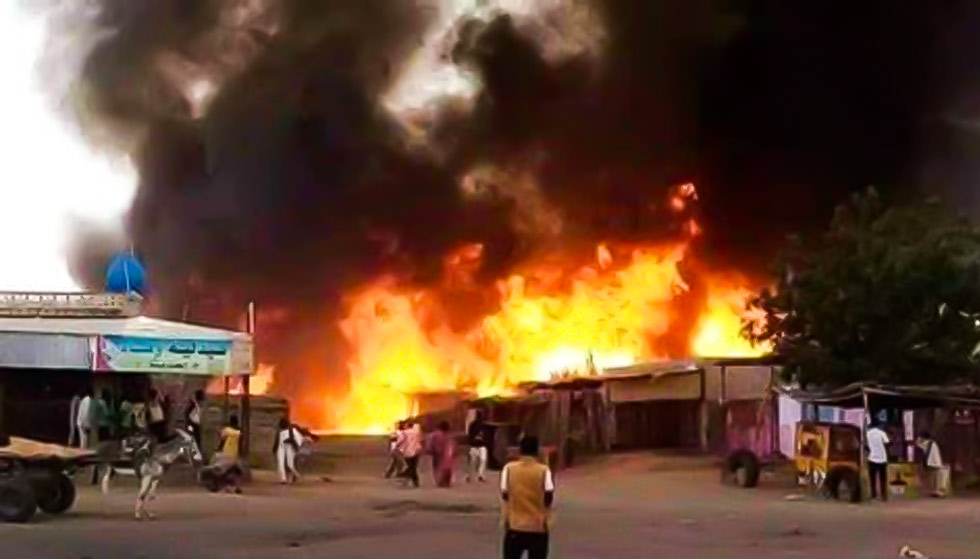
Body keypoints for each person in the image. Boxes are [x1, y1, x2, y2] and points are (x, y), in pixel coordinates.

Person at [500, 435, 555, 559]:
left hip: (515, 525)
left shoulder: (509, 469)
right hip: (537, 526)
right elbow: (548, 495)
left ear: (520, 450)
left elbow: (505, 494)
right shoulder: (544, 470)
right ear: (536, 451)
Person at [213, 415, 244, 494]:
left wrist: (218, 449)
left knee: (225, 471)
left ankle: (226, 487)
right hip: (235, 453)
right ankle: (237, 487)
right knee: (237, 471)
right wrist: (240, 453)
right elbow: (240, 443)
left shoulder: (226, 430)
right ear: (237, 422)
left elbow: (222, 441)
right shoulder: (239, 431)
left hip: (226, 452)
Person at [273, 418, 304, 484]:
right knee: (283, 464)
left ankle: (293, 476)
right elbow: (278, 440)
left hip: (288, 448)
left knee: (287, 464)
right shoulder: (281, 431)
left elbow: (291, 439)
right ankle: (284, 478)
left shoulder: (289, 430)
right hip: (283, 448)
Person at [866, 419, 890, 502]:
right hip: (882, 459)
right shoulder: (882, 433)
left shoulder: (868, 433)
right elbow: (887, 443)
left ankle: (873, 496)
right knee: (882, 478)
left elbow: (866, 445)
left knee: (872, 478)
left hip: (872, 458)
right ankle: (883, 496)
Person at [427, 421, 455, 488]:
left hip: (438, 453)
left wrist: (431, 450)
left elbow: (433, 444)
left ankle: (440, 481)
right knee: (448, 467)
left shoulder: (436, 434)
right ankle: (446, 481)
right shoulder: (448, 435)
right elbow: (451, 445)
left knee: (437, 467)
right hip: (447, 454)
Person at [916, 431, 944, 497]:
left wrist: (919, 438)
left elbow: (917, 443)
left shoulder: (926, 443)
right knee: (936, 477)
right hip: (937, 462)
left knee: (932, 477)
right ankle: (936, 491)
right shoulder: (933, 443)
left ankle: (934, 491)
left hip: (931, 462)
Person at [398, 420, 423, 488]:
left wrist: (398, 447)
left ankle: (404, 474)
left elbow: (400, 441)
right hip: (416, 451)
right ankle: (415, 481)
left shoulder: (404, 433)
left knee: (411, 466)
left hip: (407, 451)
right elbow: (420, 440)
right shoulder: (417, 432)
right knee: (413, 467)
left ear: (407, 425)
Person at [467, 411, 489, 482]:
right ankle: (469, 475)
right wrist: (471, 442)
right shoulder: (473, 425)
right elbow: (470, 435)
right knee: (473, 461)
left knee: (483, 460)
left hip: (482, 445)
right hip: (474, 445)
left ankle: (480, 475)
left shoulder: (484, 425)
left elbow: (486, 435)